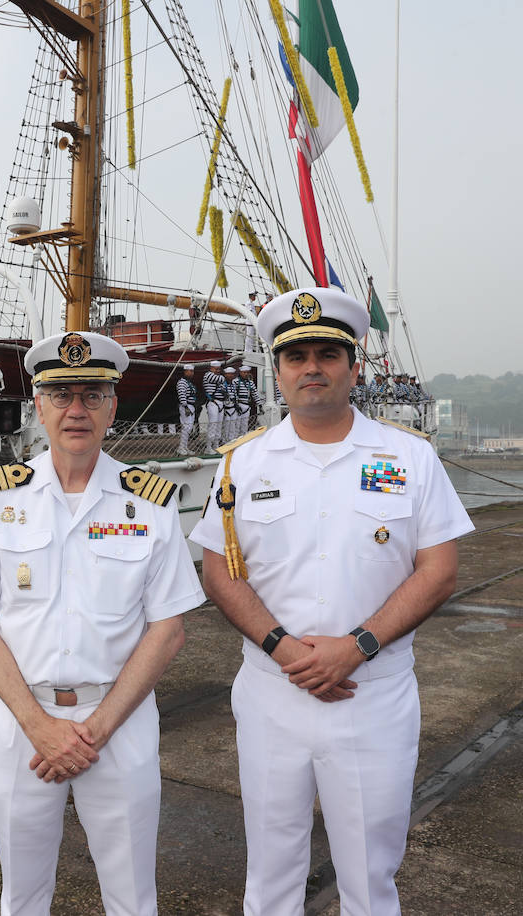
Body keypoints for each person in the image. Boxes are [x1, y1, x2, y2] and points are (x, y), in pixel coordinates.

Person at [189, 287, 473, 915]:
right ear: (279, 370)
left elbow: (439, 568)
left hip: (371, 696)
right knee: (270, 872)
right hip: (272, 694)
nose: (311, 367)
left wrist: (357, 646)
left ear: (352, 366)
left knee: (371, 877)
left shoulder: (410, 457)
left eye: (326, 353)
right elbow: (220, 572)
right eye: (296, 356)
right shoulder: (242, 464)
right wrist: (284, 648)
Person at [0, 330, 203, 916]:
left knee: (133, 897)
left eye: (91, 394)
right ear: (39, 403)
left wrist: (96, 729)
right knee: (22, 896)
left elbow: (168, 630)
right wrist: (38, 726)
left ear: (112, 405)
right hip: (20, 724)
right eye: (60, 394)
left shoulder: (151, 504)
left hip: (121, 722)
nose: (75, 410)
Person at [202, 359, 226, 452]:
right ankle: (208, 447)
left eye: (219, 369)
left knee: (219, 425)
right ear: (211, 368)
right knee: (213, 424)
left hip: (220, 403)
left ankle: (216, 445)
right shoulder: (208, 375)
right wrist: (222, 377)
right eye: (216, 369)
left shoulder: (217, 376)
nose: (218, 371)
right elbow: (221, 379)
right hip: (213, 403)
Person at [175, 364, 197, 454]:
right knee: (186, 427)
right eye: (190, 371)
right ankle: (181, 447)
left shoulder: (188, 382)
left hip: (190, 406)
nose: (192, 373)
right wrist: (185, 406)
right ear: (185, 372)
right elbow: (181, 395)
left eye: (192, 371)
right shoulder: (182, 382)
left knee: (189, 427)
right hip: (186, 406)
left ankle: (185, 446)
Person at [221, 366, 241, 443]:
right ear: (225, 375)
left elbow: (235, 395)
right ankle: (224, 441)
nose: (231, 376)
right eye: (229, 374)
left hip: (233, 407)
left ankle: (231, 440)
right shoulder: (223, 384)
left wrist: (236, 404)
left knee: (233, 425)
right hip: (226, 408)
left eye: (232, 374)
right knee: (226, 426)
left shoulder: (233, 384)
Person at [237, 364, 259, 431]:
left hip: (247, 405)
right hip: (238, 406)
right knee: (237, 425)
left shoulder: (250, 383)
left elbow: (255, 393)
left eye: (247, 372)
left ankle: (243, 439)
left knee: (245, 425)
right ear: (240, 373)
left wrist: (259, 404)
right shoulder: (236, 381)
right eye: (244, 372)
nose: (246, 374)